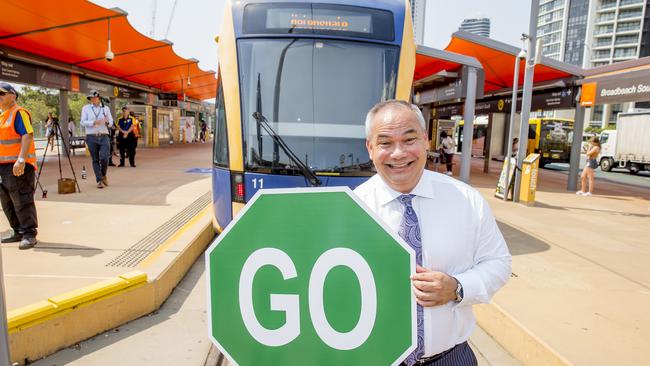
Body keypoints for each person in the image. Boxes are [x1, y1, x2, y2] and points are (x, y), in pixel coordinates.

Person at [354, 100, 511, 366]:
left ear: (426, 140)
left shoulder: (465, 200)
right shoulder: (351, 209)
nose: (398, 153)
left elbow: (498, 263)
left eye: (409, 139)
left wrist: (458, 288)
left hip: (450, 358)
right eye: (385, 143)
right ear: (370, 148)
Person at [0, 82, 38, 250]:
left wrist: (21, 159)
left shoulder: (19, 113)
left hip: (17, 165)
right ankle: (17, 231)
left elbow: (27, 134)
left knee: (22, 199)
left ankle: (29, 234)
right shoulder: (2, 115)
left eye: (1, 94)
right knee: (6, 200)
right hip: (3, 166)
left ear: (13, 95)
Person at [80, 90, 113, 188]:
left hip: (104, 135)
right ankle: (99, 180)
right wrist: (93, 122)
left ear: (99, 98)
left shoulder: (105, 108)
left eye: (95, 98)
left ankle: (103, 175)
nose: (93, 99)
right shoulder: (86, 108)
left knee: (104, 157)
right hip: (91, 136)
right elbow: (82, 122)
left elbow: (111, 122)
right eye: (91, 98)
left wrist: (107, 122)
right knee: (95, 159)